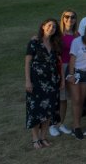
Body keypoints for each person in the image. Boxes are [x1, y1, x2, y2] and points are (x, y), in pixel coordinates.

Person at [25, 18, 62, 149]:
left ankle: (43, 137)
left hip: (52, 81)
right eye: (49, 25)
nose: (51, 28)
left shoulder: (55, 43)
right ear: (43, 26)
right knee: (35, 110)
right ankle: (35, 139)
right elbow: (28, 62)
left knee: (49, 110)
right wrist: (28, 81)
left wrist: (60, 80)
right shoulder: (34, 42)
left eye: (54, 27)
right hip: (36, 82)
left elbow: (59, 63)